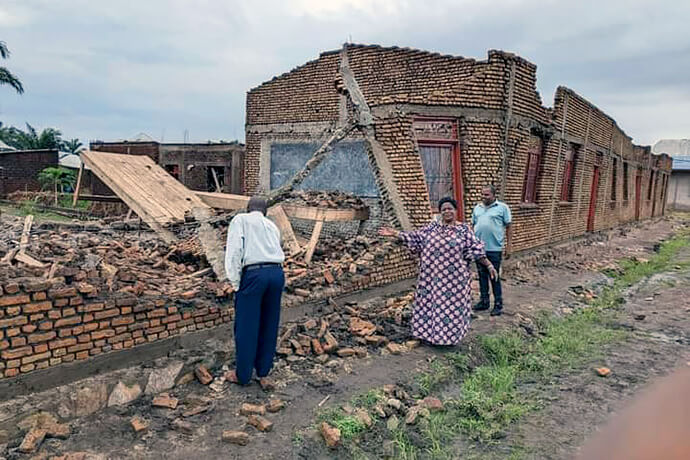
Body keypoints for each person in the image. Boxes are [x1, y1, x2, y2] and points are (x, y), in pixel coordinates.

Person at [379, 197, 497, 346]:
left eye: (450, 209)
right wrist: (396, 233)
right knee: (430, 305)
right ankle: (430, 336)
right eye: (444, 209)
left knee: (451, 309)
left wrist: (489, 266)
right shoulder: (431, 228)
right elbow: (414, 238)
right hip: (431, 279)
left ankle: (447, 340)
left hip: (454, 281)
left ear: (456, 211)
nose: (447, 211)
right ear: (440, 212)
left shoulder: (464, 230)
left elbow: (476, 250)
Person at [224, 196, 285, 389]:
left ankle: (242, 375)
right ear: (265, 211)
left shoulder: (240, 220)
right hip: (276, 273)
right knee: (269, 323)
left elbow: (234, 251)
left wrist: (235, 282)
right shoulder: (271, 226)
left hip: (254, 274)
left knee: (246, 326)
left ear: (248, 208)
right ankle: (263, 372)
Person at [471, 185, 512, 316]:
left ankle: (498, 304)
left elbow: (509, 227)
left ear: (494, 195)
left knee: (494, 276)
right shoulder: (477, 208)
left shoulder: (502, 208)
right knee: (482, 275)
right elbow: (473, 226)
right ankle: (484, 302)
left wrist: (509, 246)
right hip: (479, 249)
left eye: (487, 195)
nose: (484, 197)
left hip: (494, 249)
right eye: (482, 194)